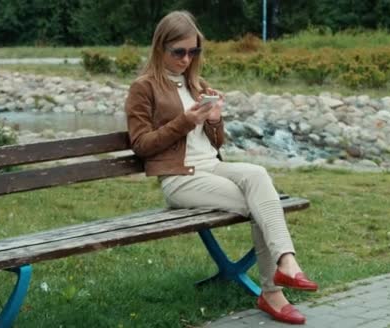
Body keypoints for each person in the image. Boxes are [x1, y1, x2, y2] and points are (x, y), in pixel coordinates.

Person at [124, 10, 318, 325]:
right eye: (179, 52)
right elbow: (141, 145)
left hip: (211, 168)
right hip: (179, 179)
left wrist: (215, 121)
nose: (186, 59)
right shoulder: (144, 87)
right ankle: (273, 292)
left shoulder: (196, 84)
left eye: (193, 51)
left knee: (257, 175)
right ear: (160, 47)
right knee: (263, 206)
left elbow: (214, 144)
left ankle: (287, 263)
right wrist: (185, 121)